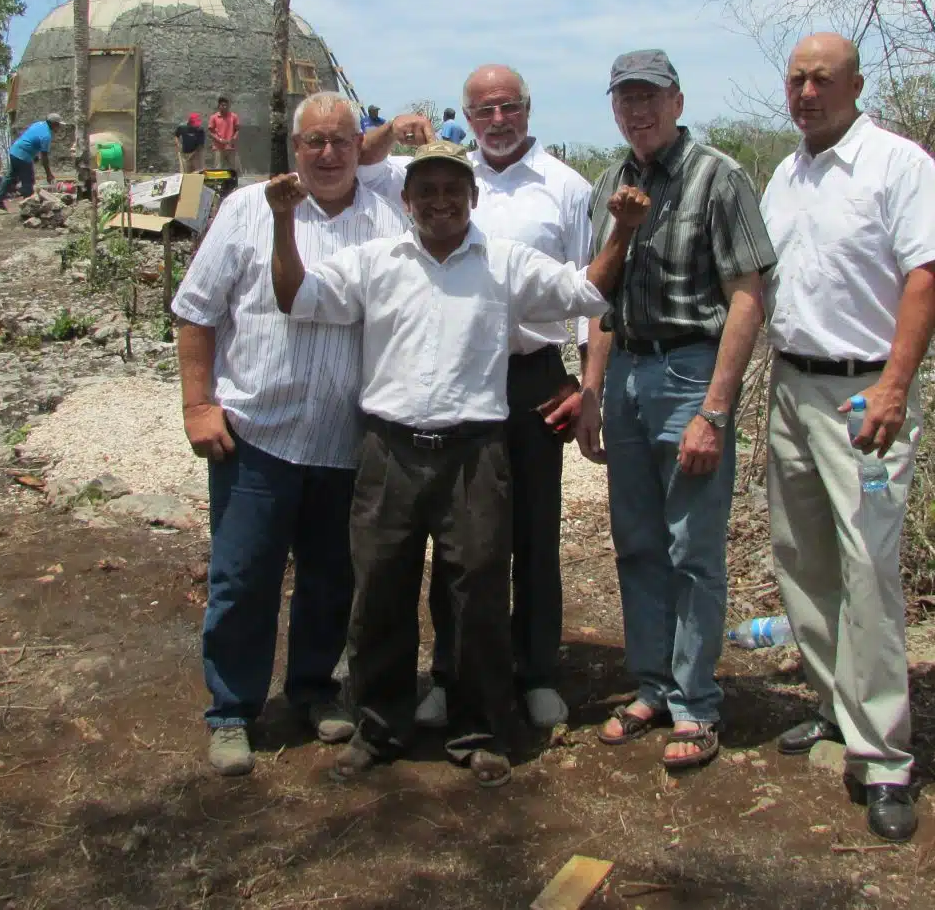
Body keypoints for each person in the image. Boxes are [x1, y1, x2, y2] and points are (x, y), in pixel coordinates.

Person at [268, 139, 650, 787]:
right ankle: (378, 728)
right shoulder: (376, 261)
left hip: (475, 456)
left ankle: (480, 729)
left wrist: (624, 230)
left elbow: (586, 291)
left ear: (473, 197)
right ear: (407, 199)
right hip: (388, 452)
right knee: (379, 593)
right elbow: (295, 296)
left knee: (478, 596)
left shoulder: (505, 262)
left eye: (452, 189)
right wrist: (283, 220)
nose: (440, 201)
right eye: (426, 191)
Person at [760, 33, 935, 843]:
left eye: (823, 79)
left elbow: (926, 275)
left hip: (863, 396)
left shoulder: (897, 165)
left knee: (869, 568)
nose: (807, 92)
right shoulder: (785, 175)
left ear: (856, 84)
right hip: (790, 388)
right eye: (796, 79)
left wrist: (895, 387)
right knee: (803, 557)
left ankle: (883, 756)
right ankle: (833, 705)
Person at [170, 92, 411, 779]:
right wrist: (198, 404)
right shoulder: (248, 210)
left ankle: (313, 689)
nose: (329, 154)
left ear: (359, 147)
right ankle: (231, 710)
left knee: (333, 580)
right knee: (243, 578)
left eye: (341, 141)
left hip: (348, 441)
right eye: (315, 143)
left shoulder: (386, 219)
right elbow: (196, 311)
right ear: (294, 149)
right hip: (256, 437)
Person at [577, 49, 774, 772]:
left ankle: (696, 702)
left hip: (691, 371)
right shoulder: (609, 183)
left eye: (650, 97)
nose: (638, 111)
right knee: (636, 543)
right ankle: (652, 685)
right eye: (625, 99)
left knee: (693, 548)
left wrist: (714, 410)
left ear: (678, 102)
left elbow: (747, 296)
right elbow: (598, 297)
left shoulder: (719, 177)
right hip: (626, 370)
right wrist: (591, 390)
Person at [415, 65, 593, 735]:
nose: (497, 120)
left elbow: (594, 295)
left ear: (528, 108)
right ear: (466, 116)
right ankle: (451, 672)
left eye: (508, 107)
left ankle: (536, 670)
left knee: (534, 532)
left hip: (534, 378)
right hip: (461, 375)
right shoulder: (448, 182)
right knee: (456, 532)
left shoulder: (566, 189)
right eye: (483, 110)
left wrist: (587, 386)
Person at [0, 113, 62, 208]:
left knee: (10, 177)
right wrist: (49, 174)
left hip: (14, 151)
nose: (58, 127)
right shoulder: (46, 136)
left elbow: (30, 138)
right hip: (23, 156)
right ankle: (28, 207)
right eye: (58, 124)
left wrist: (34, 155)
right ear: (53, 124)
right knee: (28, 182)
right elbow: (44, 157)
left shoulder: (38, 124)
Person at [207, 96, 240, 171]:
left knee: (233, 170)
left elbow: (237, 129)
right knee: (218, 169)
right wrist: (219, 140)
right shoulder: (214, 117)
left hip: (231, 147)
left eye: (226, 105)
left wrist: (234, 138)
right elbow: (210, 132)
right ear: (219, 106)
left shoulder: (234, 116)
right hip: (218, 148)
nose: (225, 107)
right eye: (223, 105)